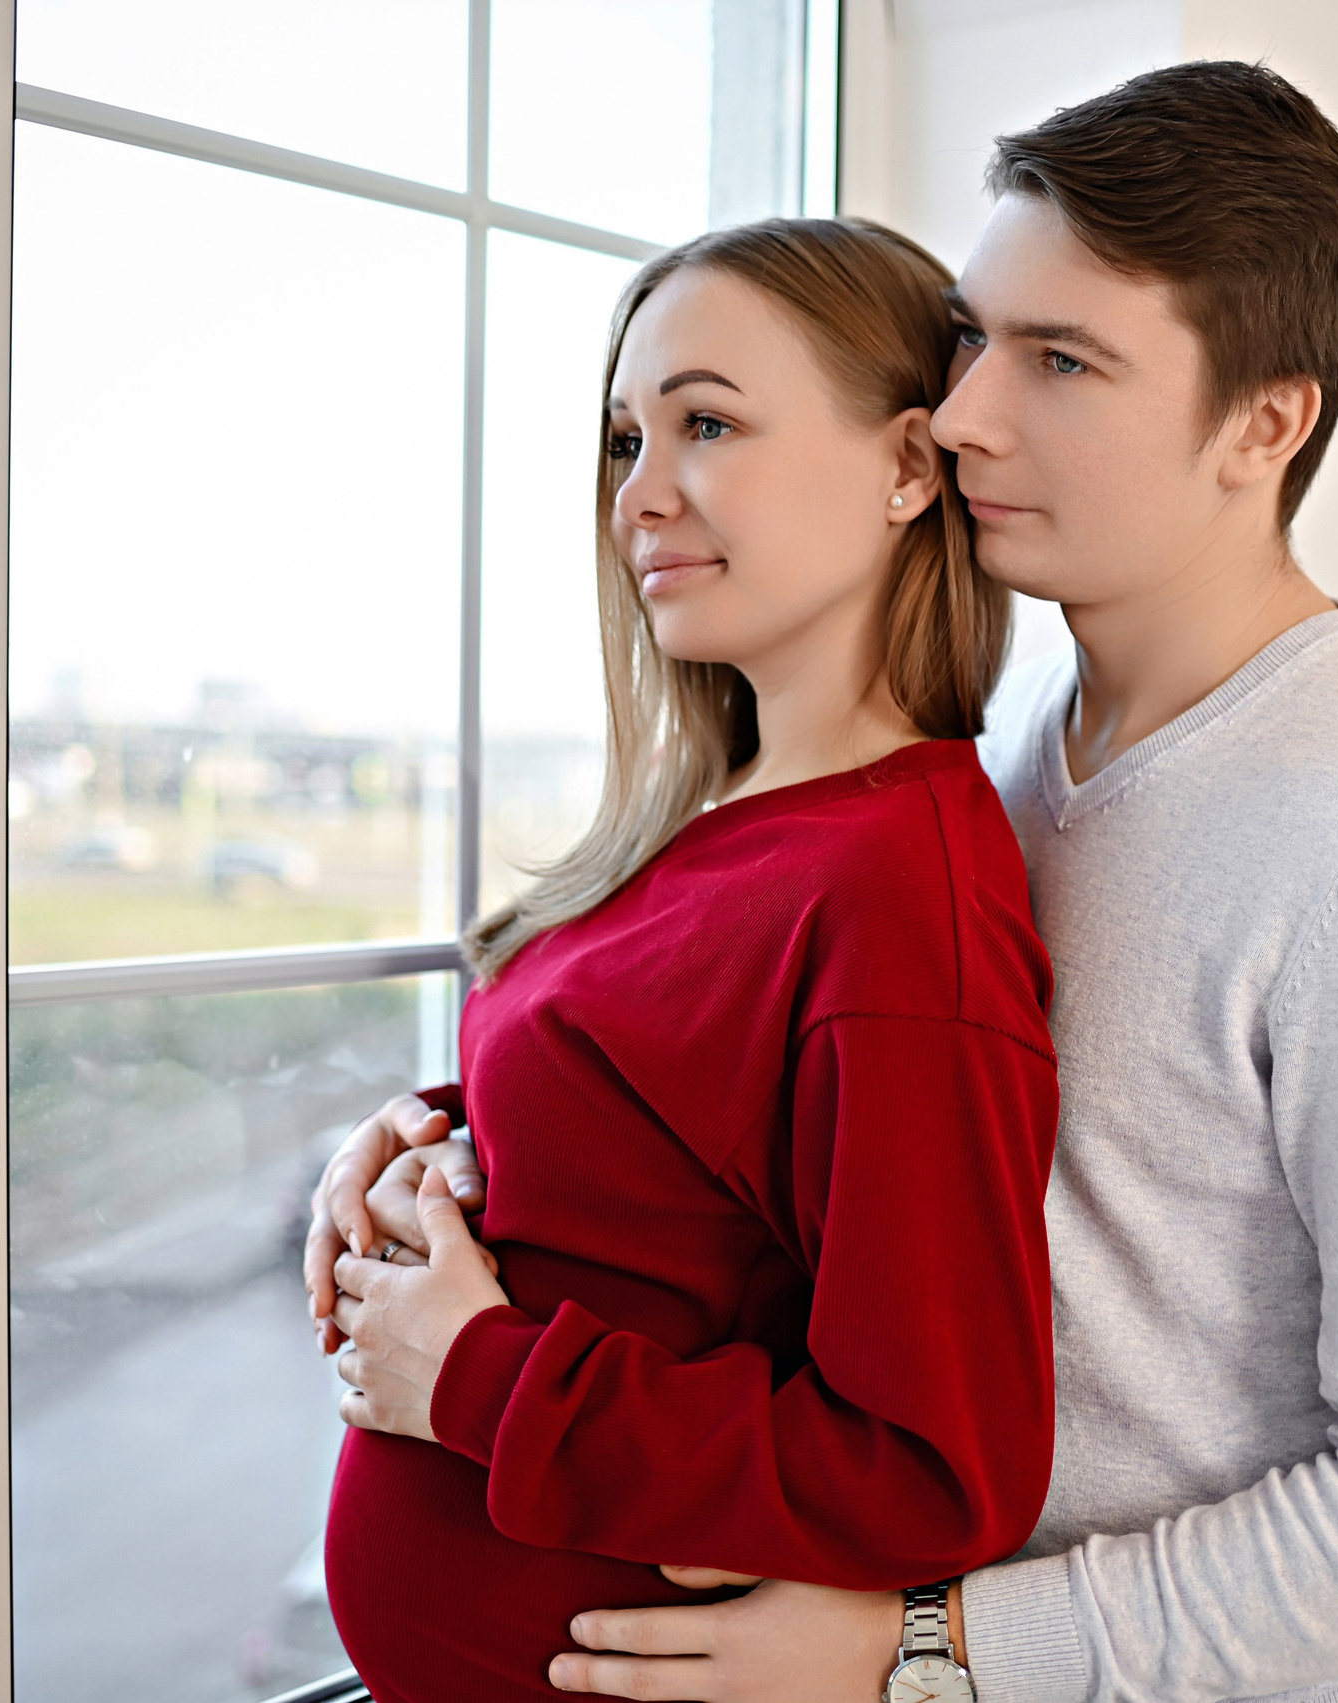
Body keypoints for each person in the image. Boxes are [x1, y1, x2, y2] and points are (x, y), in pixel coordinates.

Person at [319, 61, 1338, 1703]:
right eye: (978, 337)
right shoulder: (1012, 756)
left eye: (1061, 361)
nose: (969, 410)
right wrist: (454, 1138)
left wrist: (929, 1647)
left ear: (1265, 424)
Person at [306, 217, 1063, 1703]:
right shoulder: (733, 811)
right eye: (623, 437)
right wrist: (428, 1140)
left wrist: (477, 1378)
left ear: (911, 469)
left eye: (706, 423)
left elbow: (934, 1471)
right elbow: (682, 1140)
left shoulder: (898, 899)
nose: (639, 497)